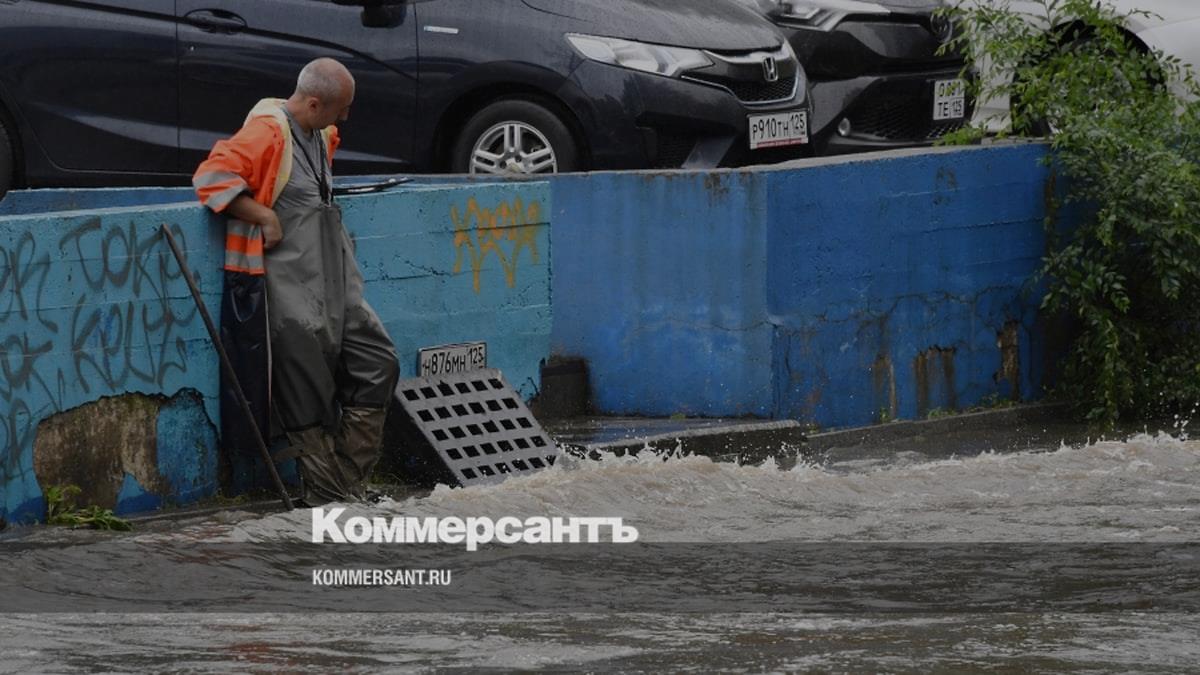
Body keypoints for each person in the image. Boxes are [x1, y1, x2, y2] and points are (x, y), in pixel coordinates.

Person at [193, 58, 399, 505]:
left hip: (336, 284)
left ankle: (345, 482)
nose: (344, 119)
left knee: (377, 362)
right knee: (307, 400)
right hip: (288, 293)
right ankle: (330, 501)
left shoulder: (321, 134)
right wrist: (262, 214)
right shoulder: (268, 134)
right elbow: (210, 178)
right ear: (312, 102)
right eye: (339, 109)